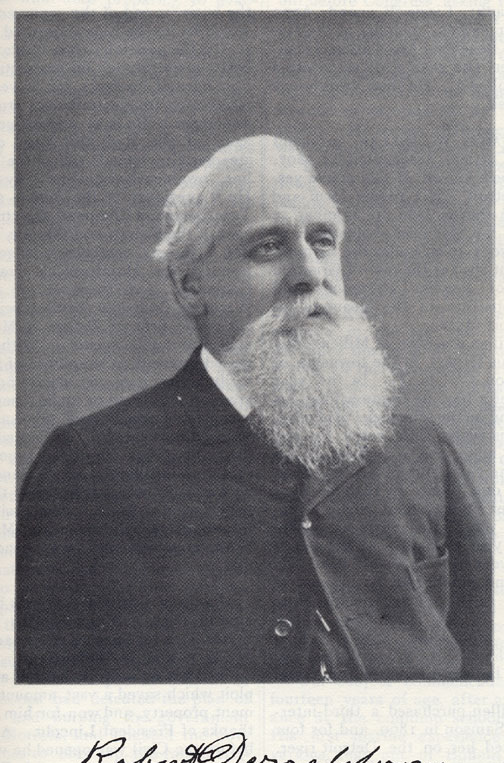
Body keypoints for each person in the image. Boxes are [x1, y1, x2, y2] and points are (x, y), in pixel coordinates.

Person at [16, 135, 491, 683]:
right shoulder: (90, 466)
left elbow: (487, 669)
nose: (310, 273)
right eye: (268, 247)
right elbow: (48, 701)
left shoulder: (421, 452)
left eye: (323, 241)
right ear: (189, 288)